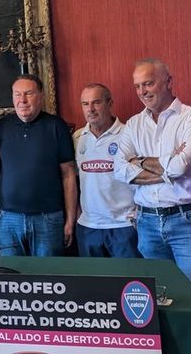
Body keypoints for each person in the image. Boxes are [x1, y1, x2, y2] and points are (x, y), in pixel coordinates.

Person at [114, 58, 191, 301]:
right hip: (146, 220)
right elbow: (120, 170)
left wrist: (138, 161)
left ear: (169, 82)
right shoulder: (133, 125)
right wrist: (167, 168)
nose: (142, 92)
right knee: (159, 296)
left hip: (187, 220)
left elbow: (182, 167)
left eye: (148, 84)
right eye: (137, 86)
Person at [0, 75, 77, 257]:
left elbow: (68, 175)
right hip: (7, 218)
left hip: (48, 218)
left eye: (28, 94)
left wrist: (70, 220)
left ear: (41, 96)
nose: (22, 100)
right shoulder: (1, 127)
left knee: (47, 273)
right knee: (9, 273)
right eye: (17, 94)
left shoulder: (57, 126)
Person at [73, 83, 138, 258]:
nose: (90, 109)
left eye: (96, 102)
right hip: (88, 227)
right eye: (85, 104)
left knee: (127, 276)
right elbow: (74, 180)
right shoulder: (78, 137)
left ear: (110, 104)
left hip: (123, 226)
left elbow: (141, 177)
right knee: (92, 277)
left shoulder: (129, 135)